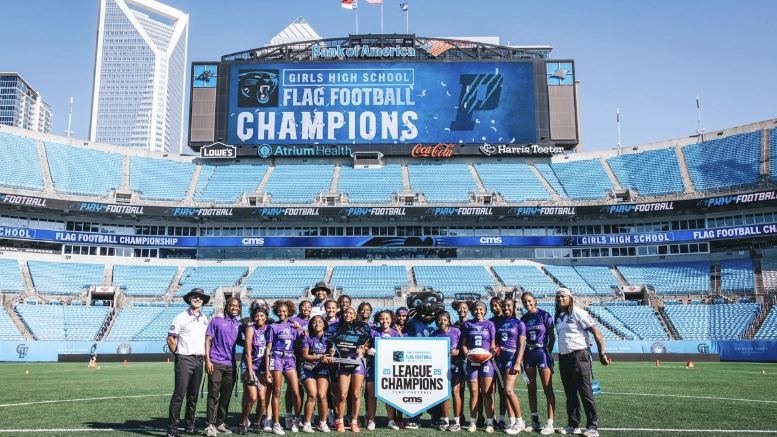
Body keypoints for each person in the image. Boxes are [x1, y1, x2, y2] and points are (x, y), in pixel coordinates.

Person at [554, 288, 609, 437]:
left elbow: (596, 332)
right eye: (558, 297)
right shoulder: (558, 315)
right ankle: (573, 424)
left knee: (585, 392)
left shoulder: (578, 312)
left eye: (563, 297)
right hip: (564, 358)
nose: (560, 299)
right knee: (570, 394)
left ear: (570, 298)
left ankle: (592, 427)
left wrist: (602, 353)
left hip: (579, 356)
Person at [166, 288, 211, 437]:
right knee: (179, 394)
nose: (198, 299)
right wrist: (179, 355)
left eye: (200, 297)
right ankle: (172, 429)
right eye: (195, 297)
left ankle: (189, 426)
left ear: (203, 301)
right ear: (189, 298)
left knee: (193, 396)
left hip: (199, 360)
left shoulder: (204, 318)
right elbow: (170, 339)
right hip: (184, 359)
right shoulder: (180, 317)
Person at [329, 306, 371, 433]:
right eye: (346, 312)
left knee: (356, 394)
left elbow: (367, 344)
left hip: (358, 362)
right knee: (342, 394)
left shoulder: (361, 330)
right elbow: (334, 344)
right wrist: (332, 351)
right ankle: (340, 421)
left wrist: (363, 349)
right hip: (344, 363)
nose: (348, 314)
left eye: (351, 313)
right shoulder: (338, 329)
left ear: (354, 316)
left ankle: (354, 421)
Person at [204, 296, 242, 437]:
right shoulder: (216, 321)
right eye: (232, 305)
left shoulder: (239, 324)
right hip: (216, 363)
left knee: (226, 396)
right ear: (227, 306)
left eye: (237, 306)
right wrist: (207, 360)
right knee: (213, 395)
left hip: (231, 365)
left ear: (239, 308)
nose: (234, 308)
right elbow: (208, 340)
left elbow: (242, 341)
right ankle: (210, 425)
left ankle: (221, 422)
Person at [265, 300, 304, 435]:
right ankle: (276, 423)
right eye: (280, 311)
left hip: (289, 359)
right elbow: (268, 348)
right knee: (277, 392)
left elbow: (299, 343)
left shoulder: (293, 326)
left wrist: (300, 330)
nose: (282, 313)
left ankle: (296, 419)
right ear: (276, 312)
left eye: (284, 311)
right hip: (276, 358)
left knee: (296, 391)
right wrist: (267, 369)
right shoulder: (273, 327)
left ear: (289, 312)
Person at [520, 292, 556, 435]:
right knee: (531, 388)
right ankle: (535, 422)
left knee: (548, 388)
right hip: (529, 354)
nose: (527, 304)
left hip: (542, 354)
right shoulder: (523, 318)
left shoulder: (544, 315)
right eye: (524, 302)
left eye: (529, 301)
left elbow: (552, 337)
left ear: (534, 301)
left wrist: (548, 351)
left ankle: (550, 423)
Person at [460, 301, 497, 433]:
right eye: (476, 309)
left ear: (485, 311)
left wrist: (490, 355)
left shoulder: (490, 324)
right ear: (472, 311)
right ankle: (473, 422)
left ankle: (490, 422)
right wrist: (467, 355)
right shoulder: (467, 324)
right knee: (474, 393)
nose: (478, 312)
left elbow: (493, 346)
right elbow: (464, 345)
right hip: (472, 362)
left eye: (481, 309)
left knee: (487, 393)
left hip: (486, 361)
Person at [493, 298, 527, 435]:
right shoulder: (499, 322)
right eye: (505, 306)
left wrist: (518, 362)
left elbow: (521, 345)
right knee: (504, 391)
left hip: (512, 358)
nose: (506, 308)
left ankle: (520, 422)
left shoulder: (519, 323)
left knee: (508, 390)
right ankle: (513, 422)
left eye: (509, 306)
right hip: (500, 359)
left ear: (513, 307)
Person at [365, 310, 401, 431]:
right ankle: (371, 420)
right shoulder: (373, 332)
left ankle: (391, 420)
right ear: (378, 319)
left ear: (391, 319)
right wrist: (369, 350)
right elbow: (366, 346)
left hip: (389, 369)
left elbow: (400, 353)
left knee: (389, 394)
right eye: (382, 318)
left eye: (387, 318)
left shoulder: (395, 334)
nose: (384, 321)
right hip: (374, 366)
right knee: (371, 394)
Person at [237, 305, 270, 435]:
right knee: (252, 397)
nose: (259, 318)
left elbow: (268, 351)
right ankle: (242, 423)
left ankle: (257, 424)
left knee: (262, 398)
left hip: (262, 368)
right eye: (256, 316)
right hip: (250, 366)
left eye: (262, 316)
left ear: (266, 317)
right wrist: (250, 372)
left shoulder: (269, 329)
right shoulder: (250, 329)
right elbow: (248, 353)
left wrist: (267, 371)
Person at [300, 315, 334, 433]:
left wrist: (331, 355)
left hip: (322, 368)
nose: (317, 324)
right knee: (312, 394)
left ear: (324, 324)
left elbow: (333, 354)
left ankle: (323, 423)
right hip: (308, 367)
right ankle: (307, 424)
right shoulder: (307, 337)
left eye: (320, 322)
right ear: (311, 325)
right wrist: (320, 357)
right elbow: (304, 355)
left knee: (322, 395)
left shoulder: (329, 337)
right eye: (314, 322)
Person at [430, 311, 462, 431]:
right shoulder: (434, 335)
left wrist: (458, 351)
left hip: (456, 365)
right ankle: (446, 420)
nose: (442, 322)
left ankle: (457, 421)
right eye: (439, 320)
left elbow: (463, 347)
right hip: (442, 367)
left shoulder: (456, 331)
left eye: (444, 320)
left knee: (455, 391)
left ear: (448, 321)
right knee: (444, 394)